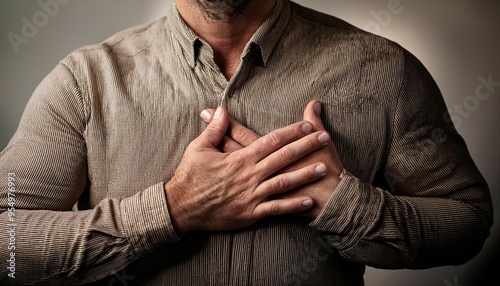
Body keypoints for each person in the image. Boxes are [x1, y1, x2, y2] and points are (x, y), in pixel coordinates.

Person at [0, 0, 493, 285]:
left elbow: (468, 220)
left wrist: (343, 205)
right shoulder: (85, 81)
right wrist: (172, 210)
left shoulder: (384, 70)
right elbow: (6, 246)